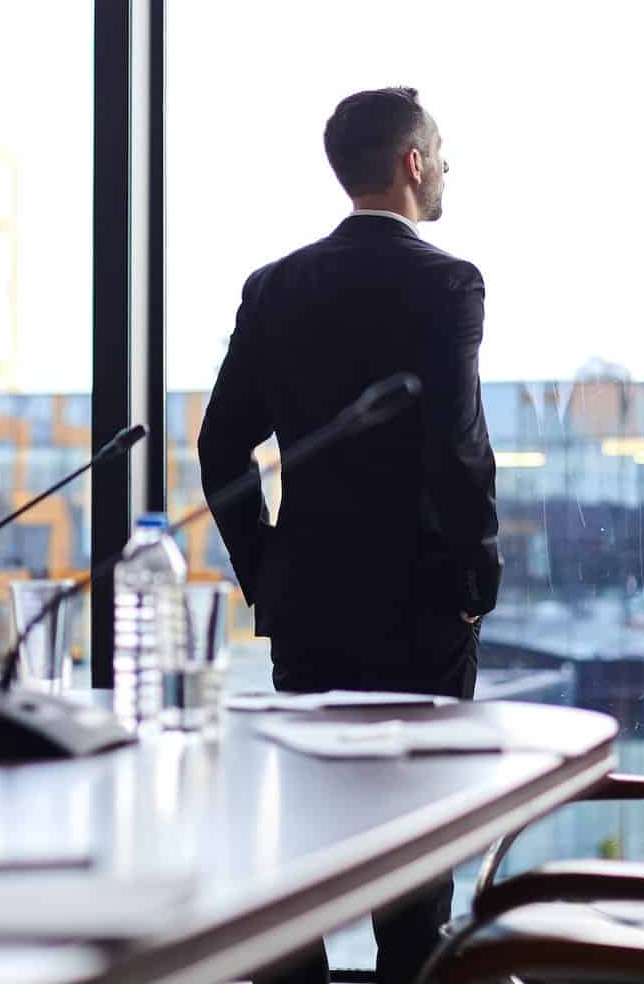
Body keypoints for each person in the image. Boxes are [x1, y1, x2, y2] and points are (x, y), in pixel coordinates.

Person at [197, 86, 500, 984]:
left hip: (312, 615)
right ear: (411, 163)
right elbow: (458, 448)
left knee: (309, 853)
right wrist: (475, 586)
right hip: (420, 616)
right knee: (414, 872)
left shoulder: (276, 285)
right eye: (440, 150)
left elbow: (221, 443)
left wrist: (268, 572)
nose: (448, 166)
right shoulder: (448, 283)